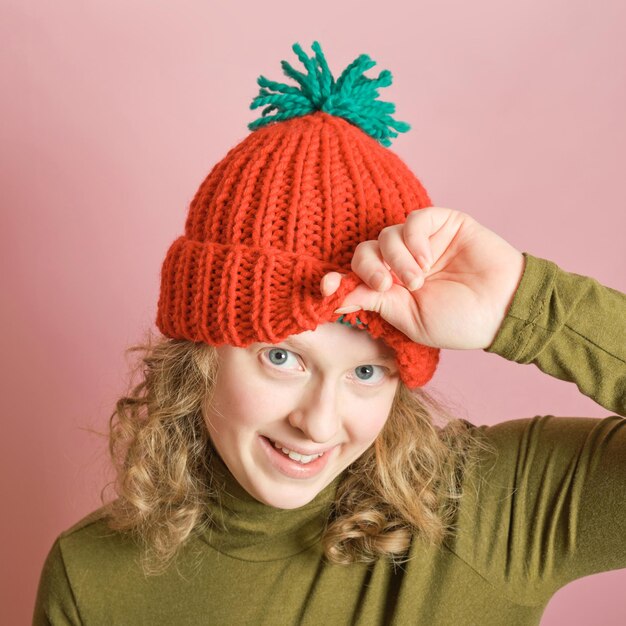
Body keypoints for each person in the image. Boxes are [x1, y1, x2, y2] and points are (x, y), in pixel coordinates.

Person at [33, 41, 625, 625]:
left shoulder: (500, 509)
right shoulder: (91, 578)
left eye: (367, 372)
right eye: (281, 358)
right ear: (200, 356)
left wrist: (525, 305)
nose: (318, 423)